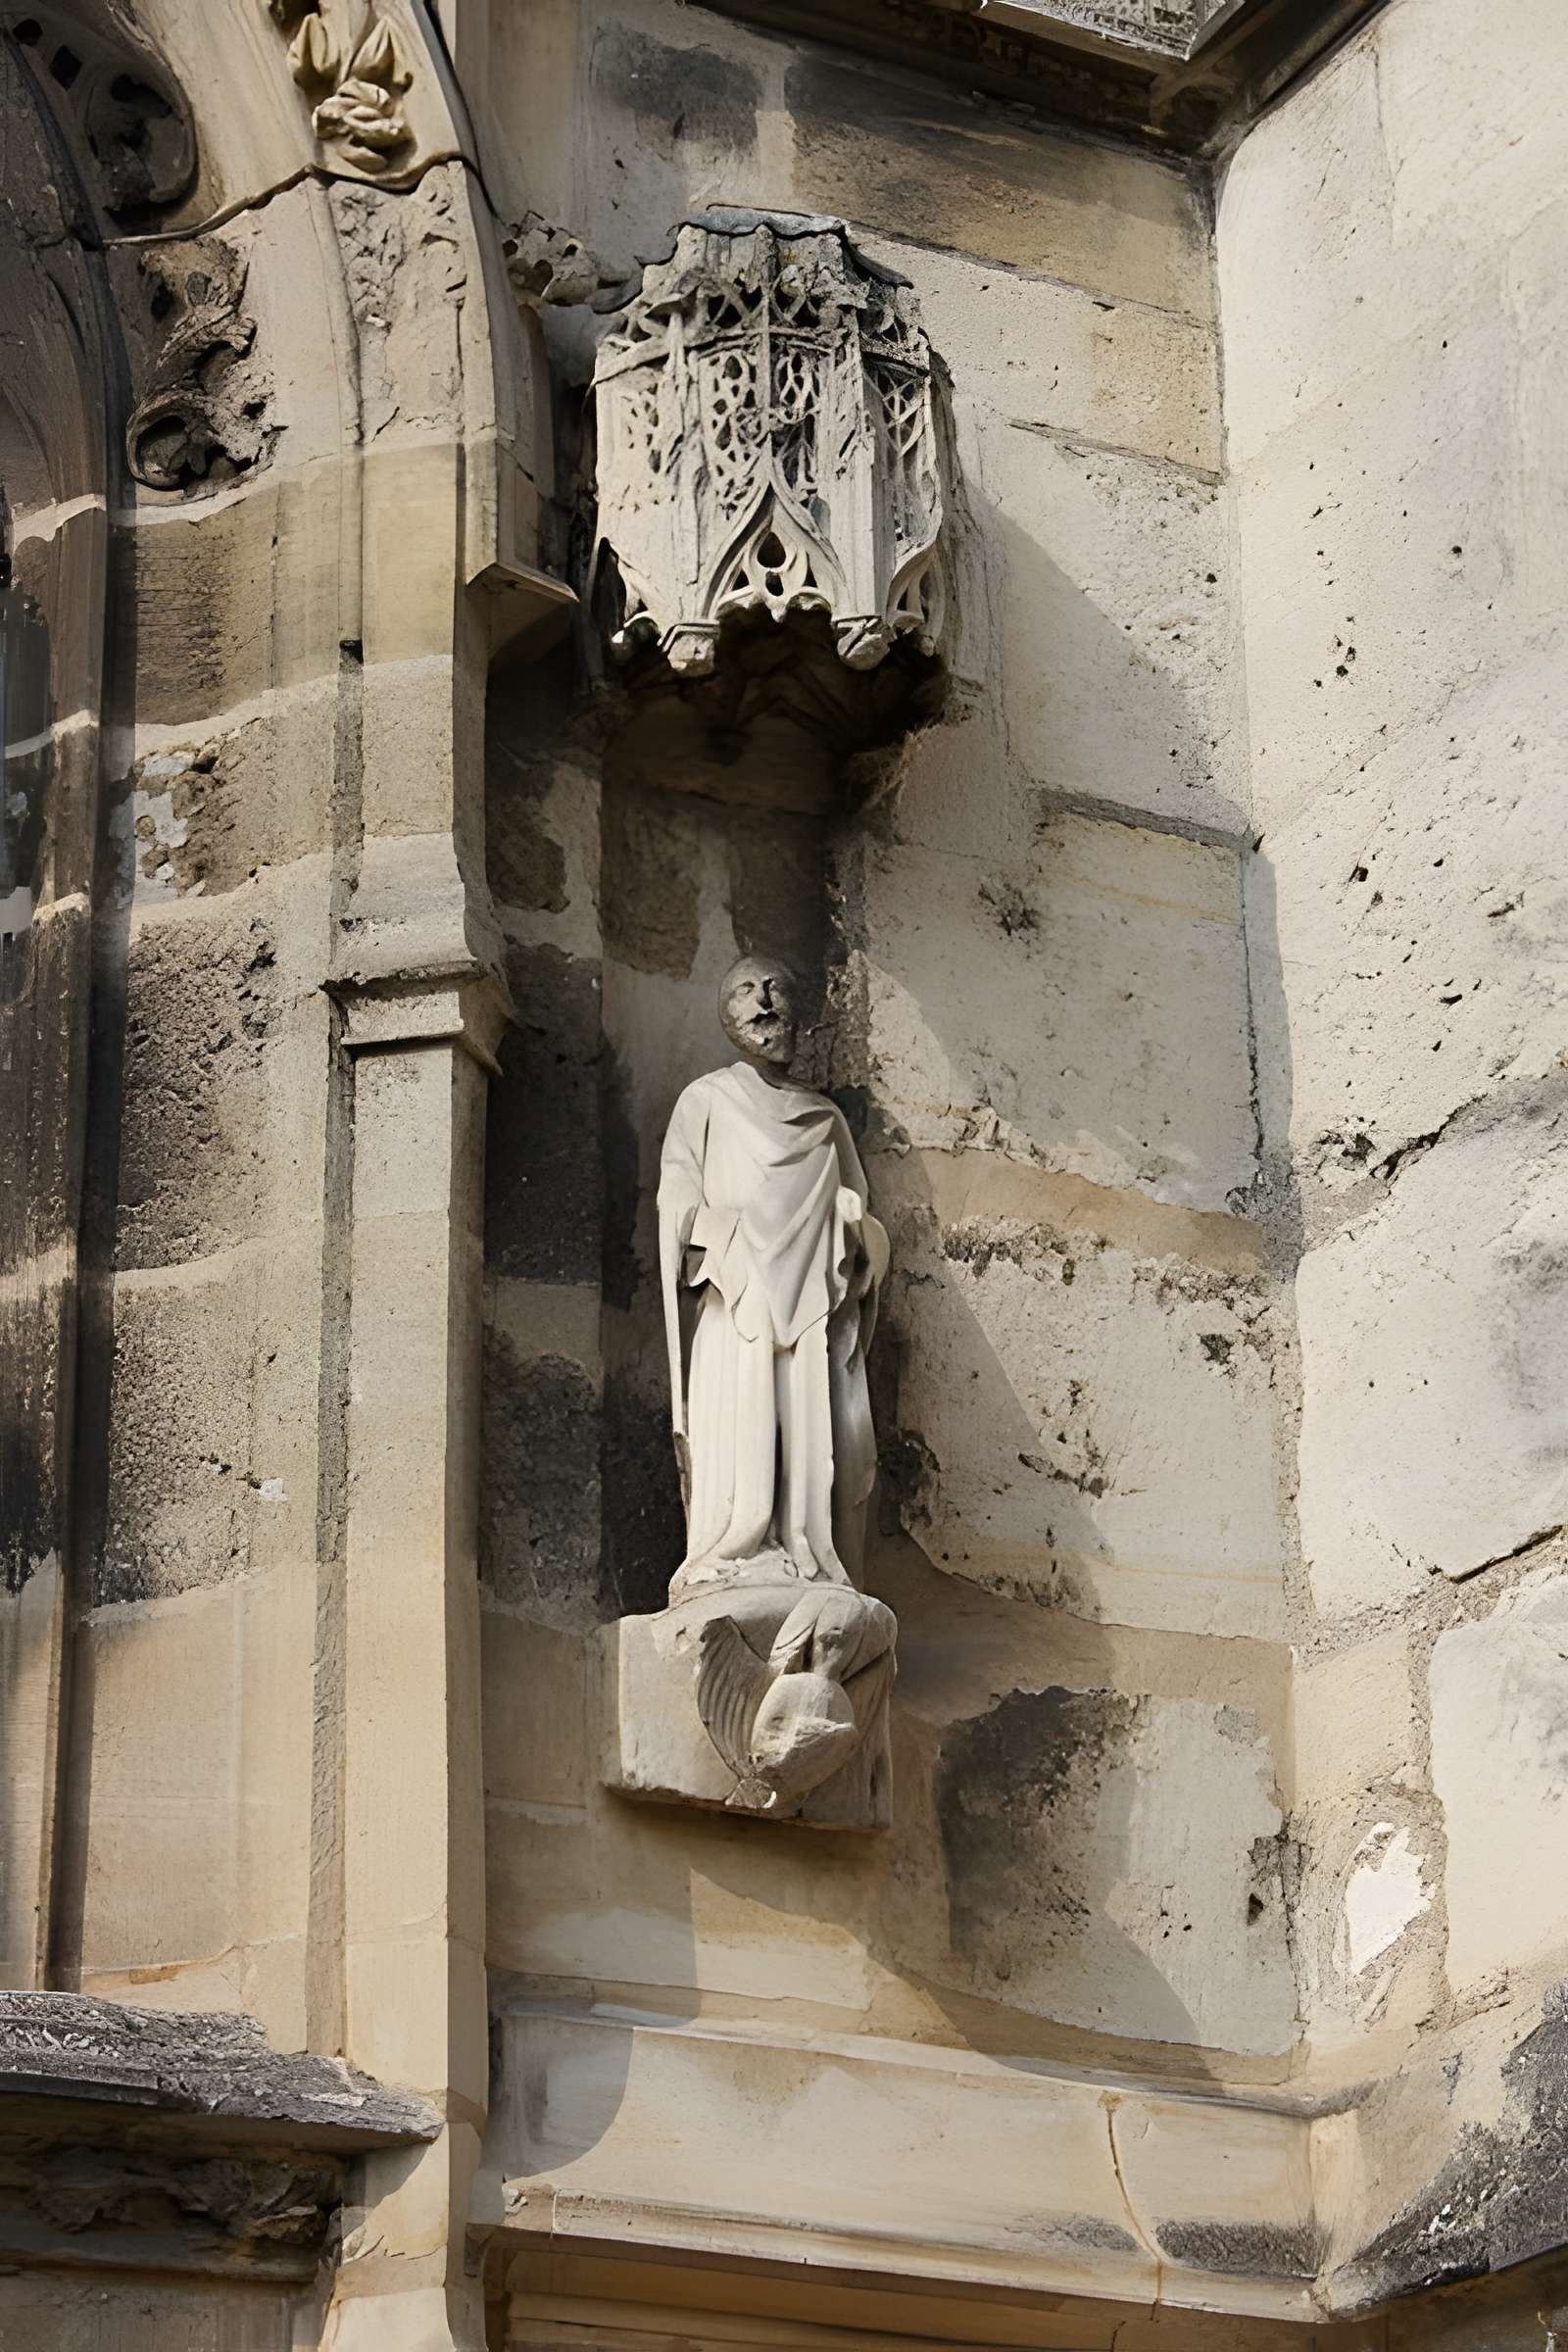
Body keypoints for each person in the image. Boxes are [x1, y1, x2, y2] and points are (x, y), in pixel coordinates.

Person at [658, 954, 889, 1593]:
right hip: (740, 1296)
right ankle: (734, 1544)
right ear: (727, 1016)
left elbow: (861, 1224)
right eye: (744, 991)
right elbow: (676, 1200)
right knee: (741, 1415)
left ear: (799, 1012)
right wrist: (720, 1238)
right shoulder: (705, 1101)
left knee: (808, 1419)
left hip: (809, 1298)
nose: (762, 1001)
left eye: (776, 987)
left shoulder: (825, 1122)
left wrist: (852, 1228)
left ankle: (808, 1551)